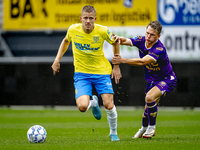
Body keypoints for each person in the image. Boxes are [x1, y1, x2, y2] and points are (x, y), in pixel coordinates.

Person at [51, 5, 121, 141]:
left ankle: (113, 133)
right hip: (82, 73)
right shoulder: (73, 29)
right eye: (85, 18)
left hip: (101, 72)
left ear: (95, 19)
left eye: (90, 18)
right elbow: (65, 41)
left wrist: (116, 66)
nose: (88, 21)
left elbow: (116, 42)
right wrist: (57, 60)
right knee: (82, 107)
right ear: (81, 18)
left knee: (108, 104)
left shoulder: (103, 31)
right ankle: (93, 103)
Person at [112, 21, 177, 139]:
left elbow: (143, 61)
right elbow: (126, 41)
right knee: (147, 107)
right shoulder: (142, 40)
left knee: (149, 98)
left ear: (158, 36)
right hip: (152, 80)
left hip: (167, 80)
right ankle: (143, 128)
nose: (148, 37)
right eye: (147, 33)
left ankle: (151, 128)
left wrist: (122, 60)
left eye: (152, 35)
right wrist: (118, 38)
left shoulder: (159, 49)